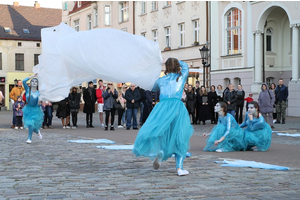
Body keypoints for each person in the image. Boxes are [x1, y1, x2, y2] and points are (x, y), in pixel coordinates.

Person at [133, 58, 193, 176]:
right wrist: (174, 60)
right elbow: (185, 65)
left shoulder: (161, 80)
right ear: (177, 66)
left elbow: (154, 88)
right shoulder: (180, 77)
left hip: (162, 108)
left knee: (163, 132)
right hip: (176, 107)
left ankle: (161, 151)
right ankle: (179, 168)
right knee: (180, 136)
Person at [22, 74, 43, 144]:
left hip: (36, 110)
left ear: (37, 84)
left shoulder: (39, 93)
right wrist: (32, 76)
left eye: (36, 81)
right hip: (28, 109)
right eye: (32, 81)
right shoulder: (28, 90)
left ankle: (29, 138)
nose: (34, 82)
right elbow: (23, 81)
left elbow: (38, 103)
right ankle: (37, 131)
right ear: (30, 83)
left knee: (31, 124)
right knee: (29, 124)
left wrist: (39, 102)